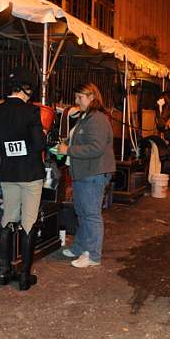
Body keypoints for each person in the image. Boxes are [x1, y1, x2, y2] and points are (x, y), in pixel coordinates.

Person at [0, 67, 46, 291]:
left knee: (7, 219)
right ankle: (24, 276)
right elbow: (39, 144)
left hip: (8, 173)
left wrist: (10, 147)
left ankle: (3, 272)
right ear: (26, 88)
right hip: (30, 174)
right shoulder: (31, 112)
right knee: (28, 221)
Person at [57, 83, 115, 268]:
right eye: (76, 97)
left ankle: (93, 255)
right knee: (82, 213)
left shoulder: (97, 119)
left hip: (93, 172)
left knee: (91, 215)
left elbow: (96, 148)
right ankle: (80, 247)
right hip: (84, 172)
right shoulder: (86, 117)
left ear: (91, 97)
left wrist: (68, 150)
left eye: (79, 97)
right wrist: (66, 145)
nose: (76, 101)